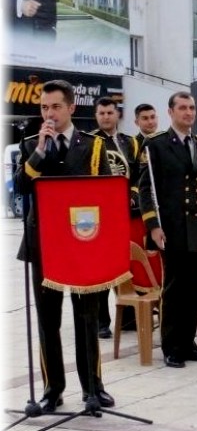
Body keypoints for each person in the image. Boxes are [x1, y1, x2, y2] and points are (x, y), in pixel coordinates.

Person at [15, 79, 113, 410]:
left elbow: (106, 194)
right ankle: (52, 388)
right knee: (48, 319)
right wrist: (41, 152)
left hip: (82, 243)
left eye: (56, 107)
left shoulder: (94, 146)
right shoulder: (31, 145)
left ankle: (92, 387)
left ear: (71, 107)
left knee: (86, 317)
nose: (50, 114)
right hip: (43, 243)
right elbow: (20, 186)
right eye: (44, 107)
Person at [138, 92, 197, 369]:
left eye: (192, 108)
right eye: (182, 108)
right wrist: (153, 225)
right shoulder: (156, 145)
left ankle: (188, 343)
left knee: (195, 287)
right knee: (174, 288)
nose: (188, 113)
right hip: (171, 227)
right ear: (171, 112)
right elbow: (146, 190)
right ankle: (172, 346)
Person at [92, 96, 141, 339]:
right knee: (102, 267)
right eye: (101, 113)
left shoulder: (129, 142)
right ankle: (102, 321)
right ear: (96, 115)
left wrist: (132, 194)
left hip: (125, 213)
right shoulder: (88, 141)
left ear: (117, 114)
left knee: (125, 266)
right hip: (101, 215)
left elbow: (137, 174)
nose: (105, 117)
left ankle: (128, 318)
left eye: (109, 113)